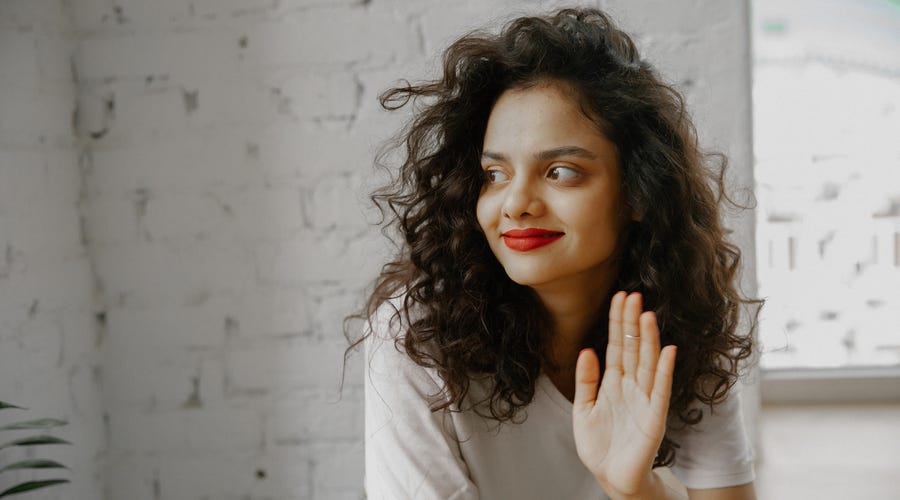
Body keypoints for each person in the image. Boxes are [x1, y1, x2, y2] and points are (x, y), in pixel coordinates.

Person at [351, 7, 760, 500]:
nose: (516, 205)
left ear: (637, 192)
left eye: (560, 171)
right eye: (494, 175)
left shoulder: (678, 315)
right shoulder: (413, 337)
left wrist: (635, 488)